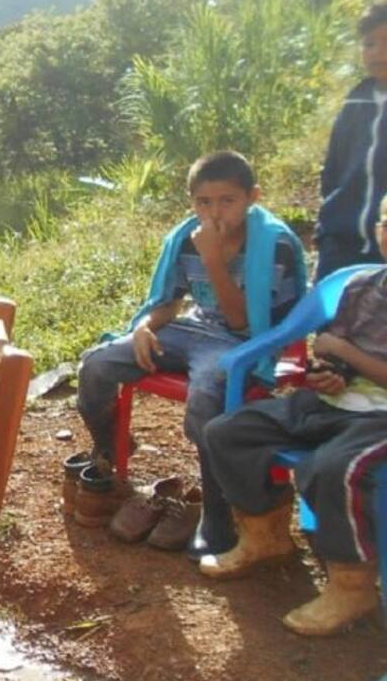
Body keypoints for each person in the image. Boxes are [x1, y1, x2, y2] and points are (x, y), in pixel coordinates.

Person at [73, 150, 307, 555]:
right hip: (191, 329)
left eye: (227, 201)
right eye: (204, 202)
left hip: (247, 341)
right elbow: (168, 301)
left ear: (253, 197)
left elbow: (243, 325)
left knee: (205, 402)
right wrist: (146, 328)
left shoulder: (276, 246)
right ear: (191, 202)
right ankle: (113, 449)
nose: (215, 211)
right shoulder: (185, 237)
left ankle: (216, 516)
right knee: (96, 366)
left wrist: (214, 259)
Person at [200, 196, 387, 636]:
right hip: (333, 404)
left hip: (379, 420)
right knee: (229, 432)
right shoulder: (362, 285)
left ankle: (351, 582)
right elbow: (326, 347)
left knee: (333, 468)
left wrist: (345, 355)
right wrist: (329, 370)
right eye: (385, 222)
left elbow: (342, 347)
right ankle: (265, 536)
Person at [314, 0, 387, 280]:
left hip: (384, 244)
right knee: (334, 319)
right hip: (342, 243)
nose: (378, 52)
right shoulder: (357, 101)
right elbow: (333, 168)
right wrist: (327, 228)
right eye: (369, 44)